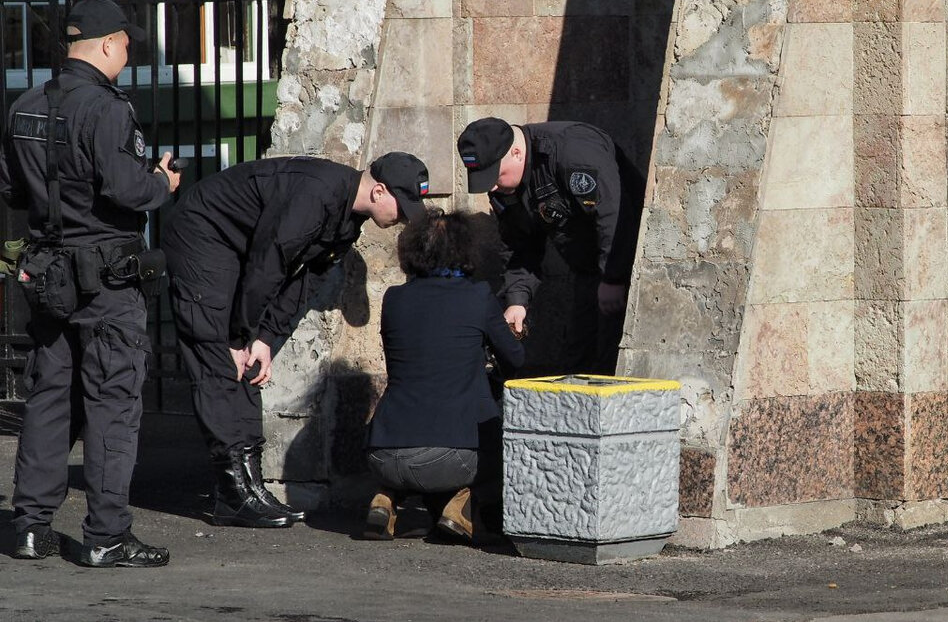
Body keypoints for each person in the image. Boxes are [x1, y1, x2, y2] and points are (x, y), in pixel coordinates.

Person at [0, 0, 182, 567]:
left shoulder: (25, 103)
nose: (128, 52)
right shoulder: (107, 109)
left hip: (49, 271)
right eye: (126, 43)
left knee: (50, 398)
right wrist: (163, 184)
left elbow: (10, 189)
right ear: (106, 44)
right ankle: (106, 535)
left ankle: (30, 527)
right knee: (113, 403)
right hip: (106, 274)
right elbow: (127, 191)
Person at [161, 151, 430, 528]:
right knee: (218, 355)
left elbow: (303, 283)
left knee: (249, 366)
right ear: (380, 191)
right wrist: (239, 335)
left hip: (239, 250)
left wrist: (265, 338)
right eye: (403, 208)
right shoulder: (316, 196)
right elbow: (268, 264)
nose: (403, 218)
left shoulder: (347, 221)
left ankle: (250, 487)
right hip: (202, 237)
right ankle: (231, 493)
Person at [363, 208, 523, 543]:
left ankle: (386, 497)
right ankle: (460, 505)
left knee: (427, 440)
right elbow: (515, 361)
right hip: (450, 460)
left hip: (382, 454)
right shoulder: (478, 296)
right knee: (496, 432)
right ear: (467, 250)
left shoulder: (394, 299)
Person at [456, 117, 644, 375]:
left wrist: (613, 278)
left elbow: (614, 217)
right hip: (590, 274)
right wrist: (517, 301)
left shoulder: (573, 152)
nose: (492, 186)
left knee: (616, 362)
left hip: (631, 270)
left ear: (517, 152)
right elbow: (519, 245)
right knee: (579, 363)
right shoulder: (505, 187)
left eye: (495, 176)